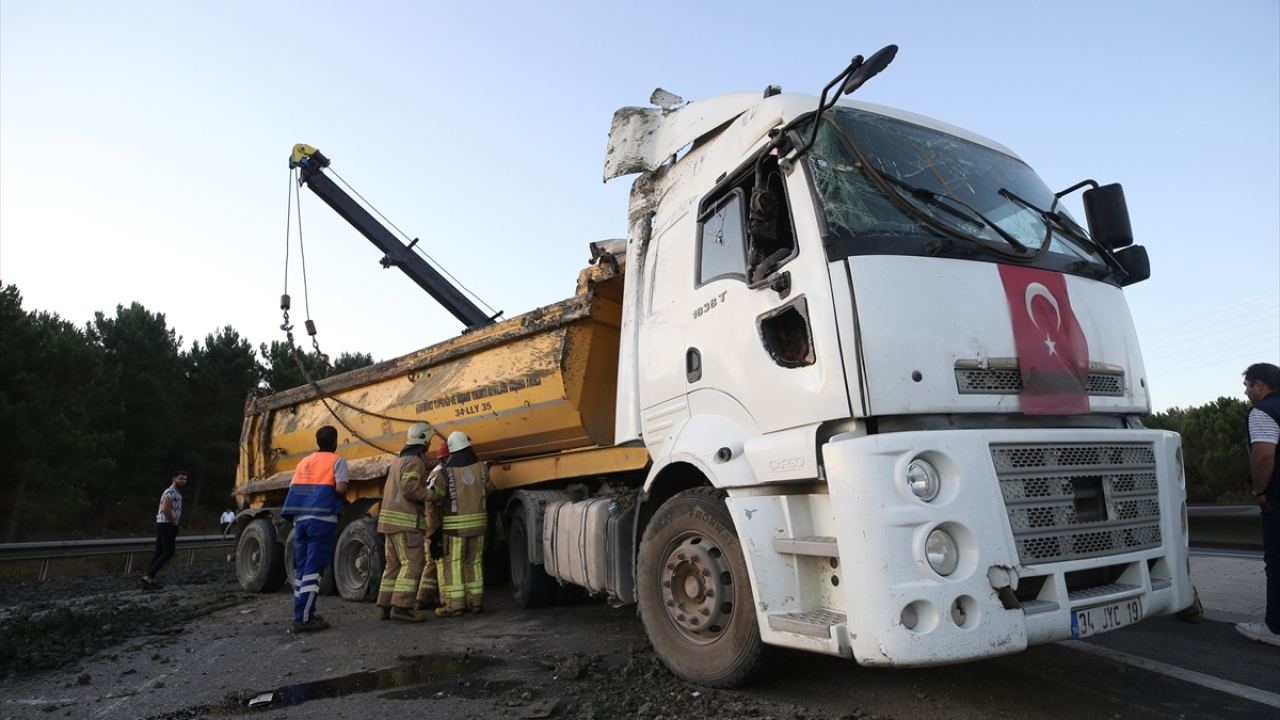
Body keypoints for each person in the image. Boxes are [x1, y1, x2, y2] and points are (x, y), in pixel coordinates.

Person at [281, 426, 349, 633]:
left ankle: (302, 613)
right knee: (314, 568)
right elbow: (341, 488)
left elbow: (296, 487)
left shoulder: (304, 462)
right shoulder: (337, 460)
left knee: (301, 569)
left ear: (317, 441)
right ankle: (304, 619)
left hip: (301, 520)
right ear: (335, 441)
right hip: (323, 519)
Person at [1237, 362, 1280, 647]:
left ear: (1259, 385)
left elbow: (1264, 456)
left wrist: (1260, 490)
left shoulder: (1263, 411)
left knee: (1277, 562)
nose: (1245, 392)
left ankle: (1275, 627)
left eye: (1247, 386)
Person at [431, 431, 494, 617]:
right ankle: (476, 603)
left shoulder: (446, 472)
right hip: (480, 526)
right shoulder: (482, 468)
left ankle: (456, 606)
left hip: (454, 530)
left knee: (455, 564)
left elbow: (436, 497)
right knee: (474, 562)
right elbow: (489, 489)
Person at [376, 422, 433, 623]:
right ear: (425, 441)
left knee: (393, 565)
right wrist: (430, 494)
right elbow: (410, 488)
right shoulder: (415, 462)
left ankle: (385, 605)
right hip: (406, 523)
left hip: (389, 522)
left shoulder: (398, 460)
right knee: (412, 562)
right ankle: (402, 607)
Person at [415, 441, 450, 612]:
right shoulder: (442, 473)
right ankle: (445, 600)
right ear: (447, 457)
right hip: (434, 521)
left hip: (429, 521)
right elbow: (438, 498)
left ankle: (423, 597)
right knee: (440, 559)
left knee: (431, 561)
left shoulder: (435, 471)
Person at [141, 471, 187, 591]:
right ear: (174, 479)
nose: (183, 481)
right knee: (169, 552)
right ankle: (148, 577)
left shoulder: (175, 492)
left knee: (159, 552)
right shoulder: (170, 492)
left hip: (164, 524)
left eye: (185, 479)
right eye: (180, 478)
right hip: (166, 525)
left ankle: (148, 580)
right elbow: (166, 509)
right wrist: (174, 523)